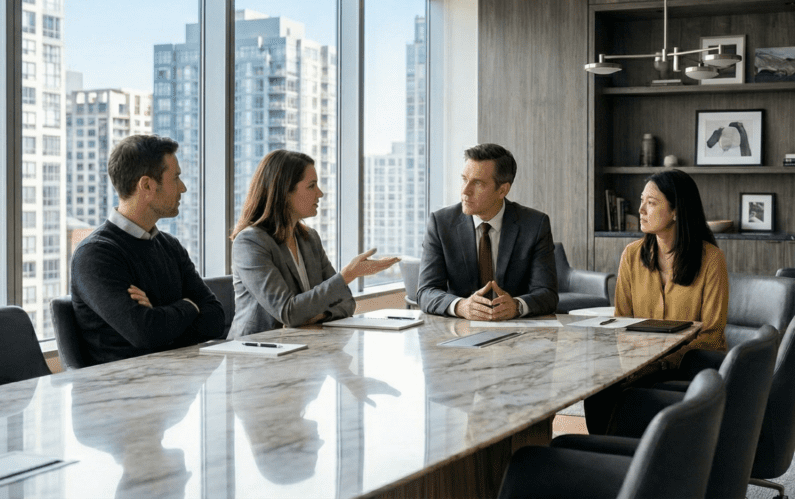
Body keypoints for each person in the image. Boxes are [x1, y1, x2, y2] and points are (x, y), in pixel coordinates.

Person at [584, 169, 728, 434]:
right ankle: (609, 456)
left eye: (651, 203)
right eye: (642, 201)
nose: (640, 210)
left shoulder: (711, 260)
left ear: (676, 211)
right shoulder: (632, 255)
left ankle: (636, 460)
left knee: (625, 394)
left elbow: (712, 336)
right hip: (640, 362)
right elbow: (622, 322)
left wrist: (661, 362)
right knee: (596, 385)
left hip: (689, 365)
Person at [70, 135, 225, 365]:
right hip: (121, 393)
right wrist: (189, 306)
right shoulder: (95, 255)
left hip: (174, 382)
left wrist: (160, 315)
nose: (183, 188)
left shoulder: (170, 246)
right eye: (176, 178)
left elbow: (216, 318)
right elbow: (146, 333)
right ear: (147, 186)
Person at [228, 150, 399, 338]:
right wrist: (348, 274)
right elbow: (288, 312)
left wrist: (321, 315)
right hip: (253, 354)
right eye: (311, 186)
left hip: (300, 349)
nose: (320, 193)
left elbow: (347, 303)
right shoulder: (250, 242)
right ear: (284, 192)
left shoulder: (310, 238)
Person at [418, 143, 558, 320]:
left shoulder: (535, 225)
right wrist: (461, 306)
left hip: (517, 333)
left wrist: (517, 306)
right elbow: (426, 292)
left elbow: (548, 294)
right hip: (459, 332)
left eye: (477, 183)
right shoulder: (441, 224)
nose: (465, 191)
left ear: (502, 190)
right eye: (464, 179)